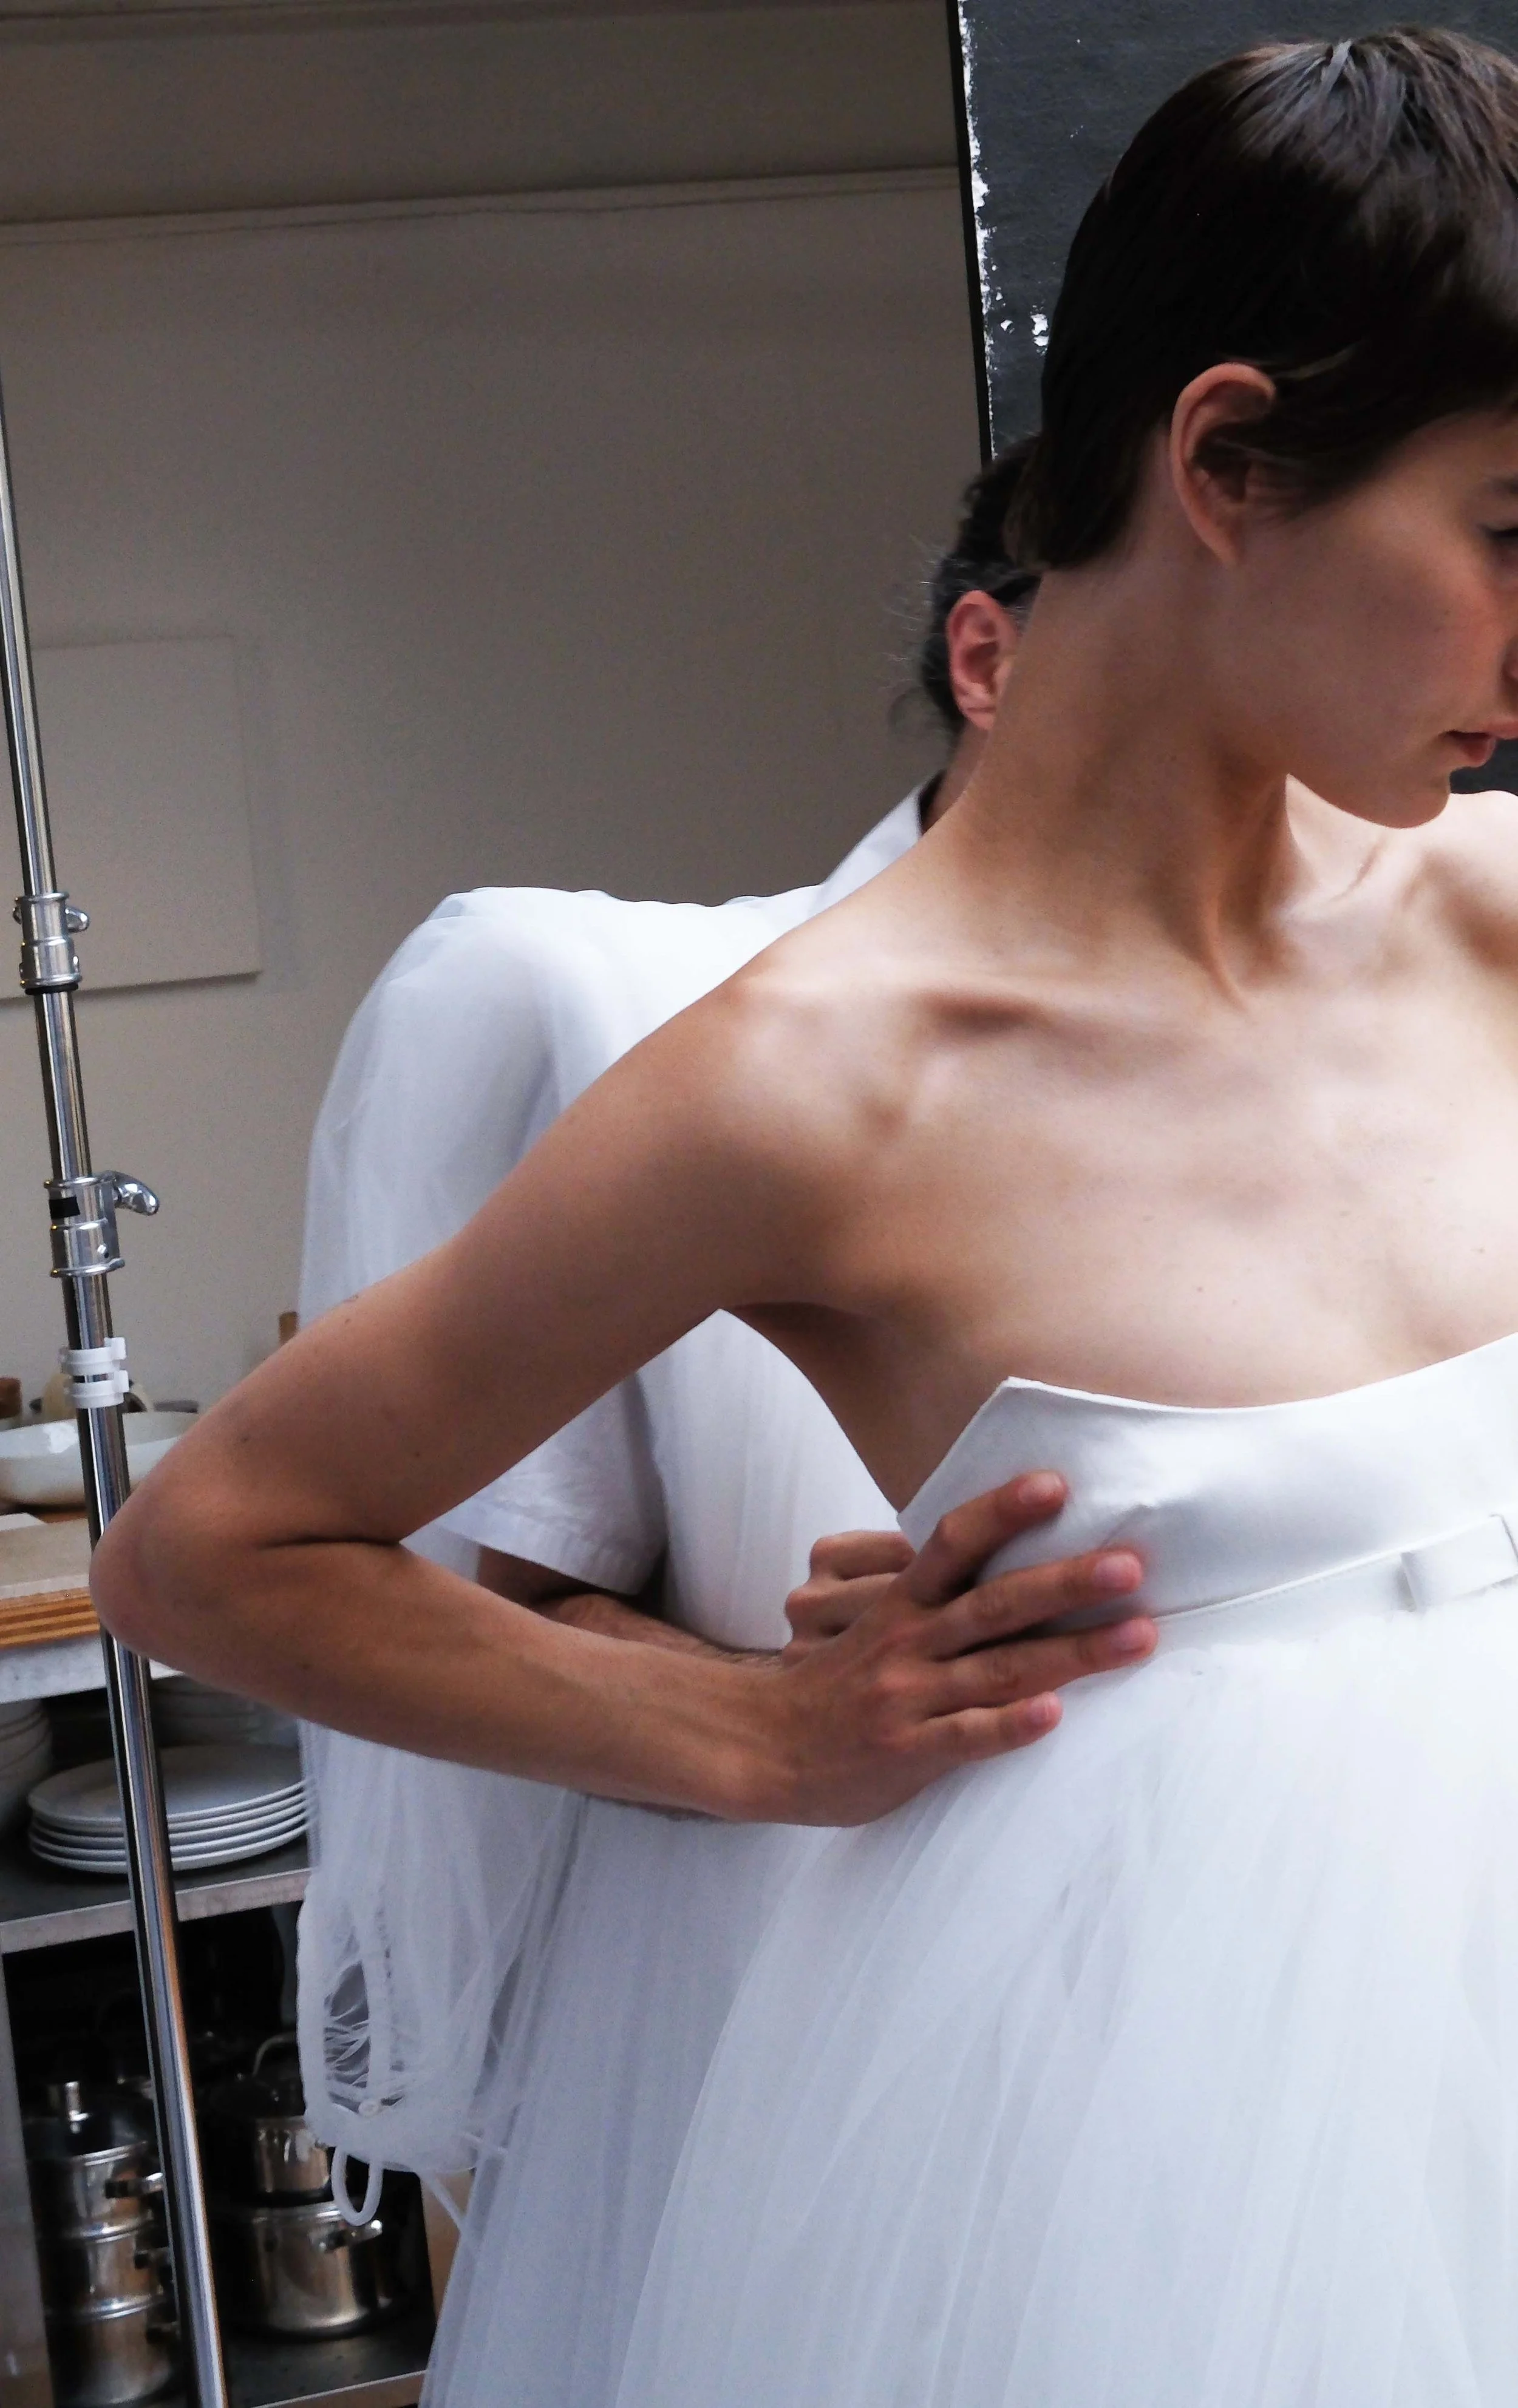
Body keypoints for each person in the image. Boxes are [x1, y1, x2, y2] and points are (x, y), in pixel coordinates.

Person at [92, 24, 1518, 2398]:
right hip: (1142, 2143)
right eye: (1505, 535)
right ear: (1227, 461)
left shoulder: (1483, 914)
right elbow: (209, 1550)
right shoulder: (813, 1082)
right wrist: (753, 1733)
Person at [292, 454, 1149, 2408]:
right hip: (786, 2035)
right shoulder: (655, 1028)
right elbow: (454, 1599)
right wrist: (770, 1716)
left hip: (1213, 2016)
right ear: (988, 657)